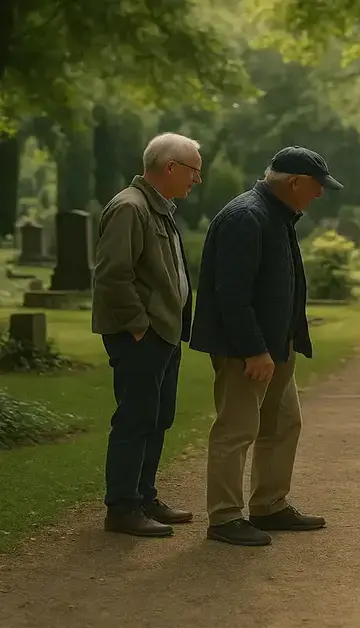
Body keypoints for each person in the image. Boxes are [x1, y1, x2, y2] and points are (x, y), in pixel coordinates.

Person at [188, 146, 342, 546]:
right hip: (247, 349)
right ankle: (224, 518)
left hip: (276, 345)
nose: (320, 194)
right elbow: (232, 295)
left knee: (282, 423)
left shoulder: (276, 214)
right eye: (316, 186)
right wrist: (254, 349)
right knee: (236, 430)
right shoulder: (246, 217)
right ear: (294, 182)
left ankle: (269, 505)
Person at [91, 132, 203, 537]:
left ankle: (143, 495)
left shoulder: (159, 208)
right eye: (194, 171)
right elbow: (112, 275)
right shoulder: (129, 207)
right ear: (170, 168)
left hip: (164, 333)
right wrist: (139, 326)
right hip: (143, 334)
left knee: (157, 418)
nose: (198, 180)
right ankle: (122, 508)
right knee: (136, 419)